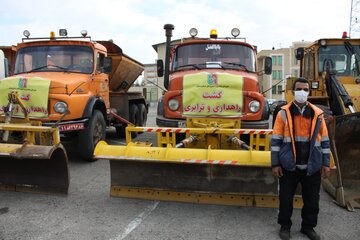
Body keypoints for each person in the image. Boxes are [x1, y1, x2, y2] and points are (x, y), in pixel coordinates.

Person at [271, 77, 331, 240]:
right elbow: (276, 140)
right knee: (285, 198)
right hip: (289, 165)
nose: (302, 93)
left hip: (312, 166)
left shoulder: (318, 114)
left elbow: (325, 140)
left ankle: (308, 227)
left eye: (305, 90)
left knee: (312, 200)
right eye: (299, 89)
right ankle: (285, 226)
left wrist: (326, 163)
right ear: (292, 92)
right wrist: (275, 163)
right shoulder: (283, 113)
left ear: (309, 92)